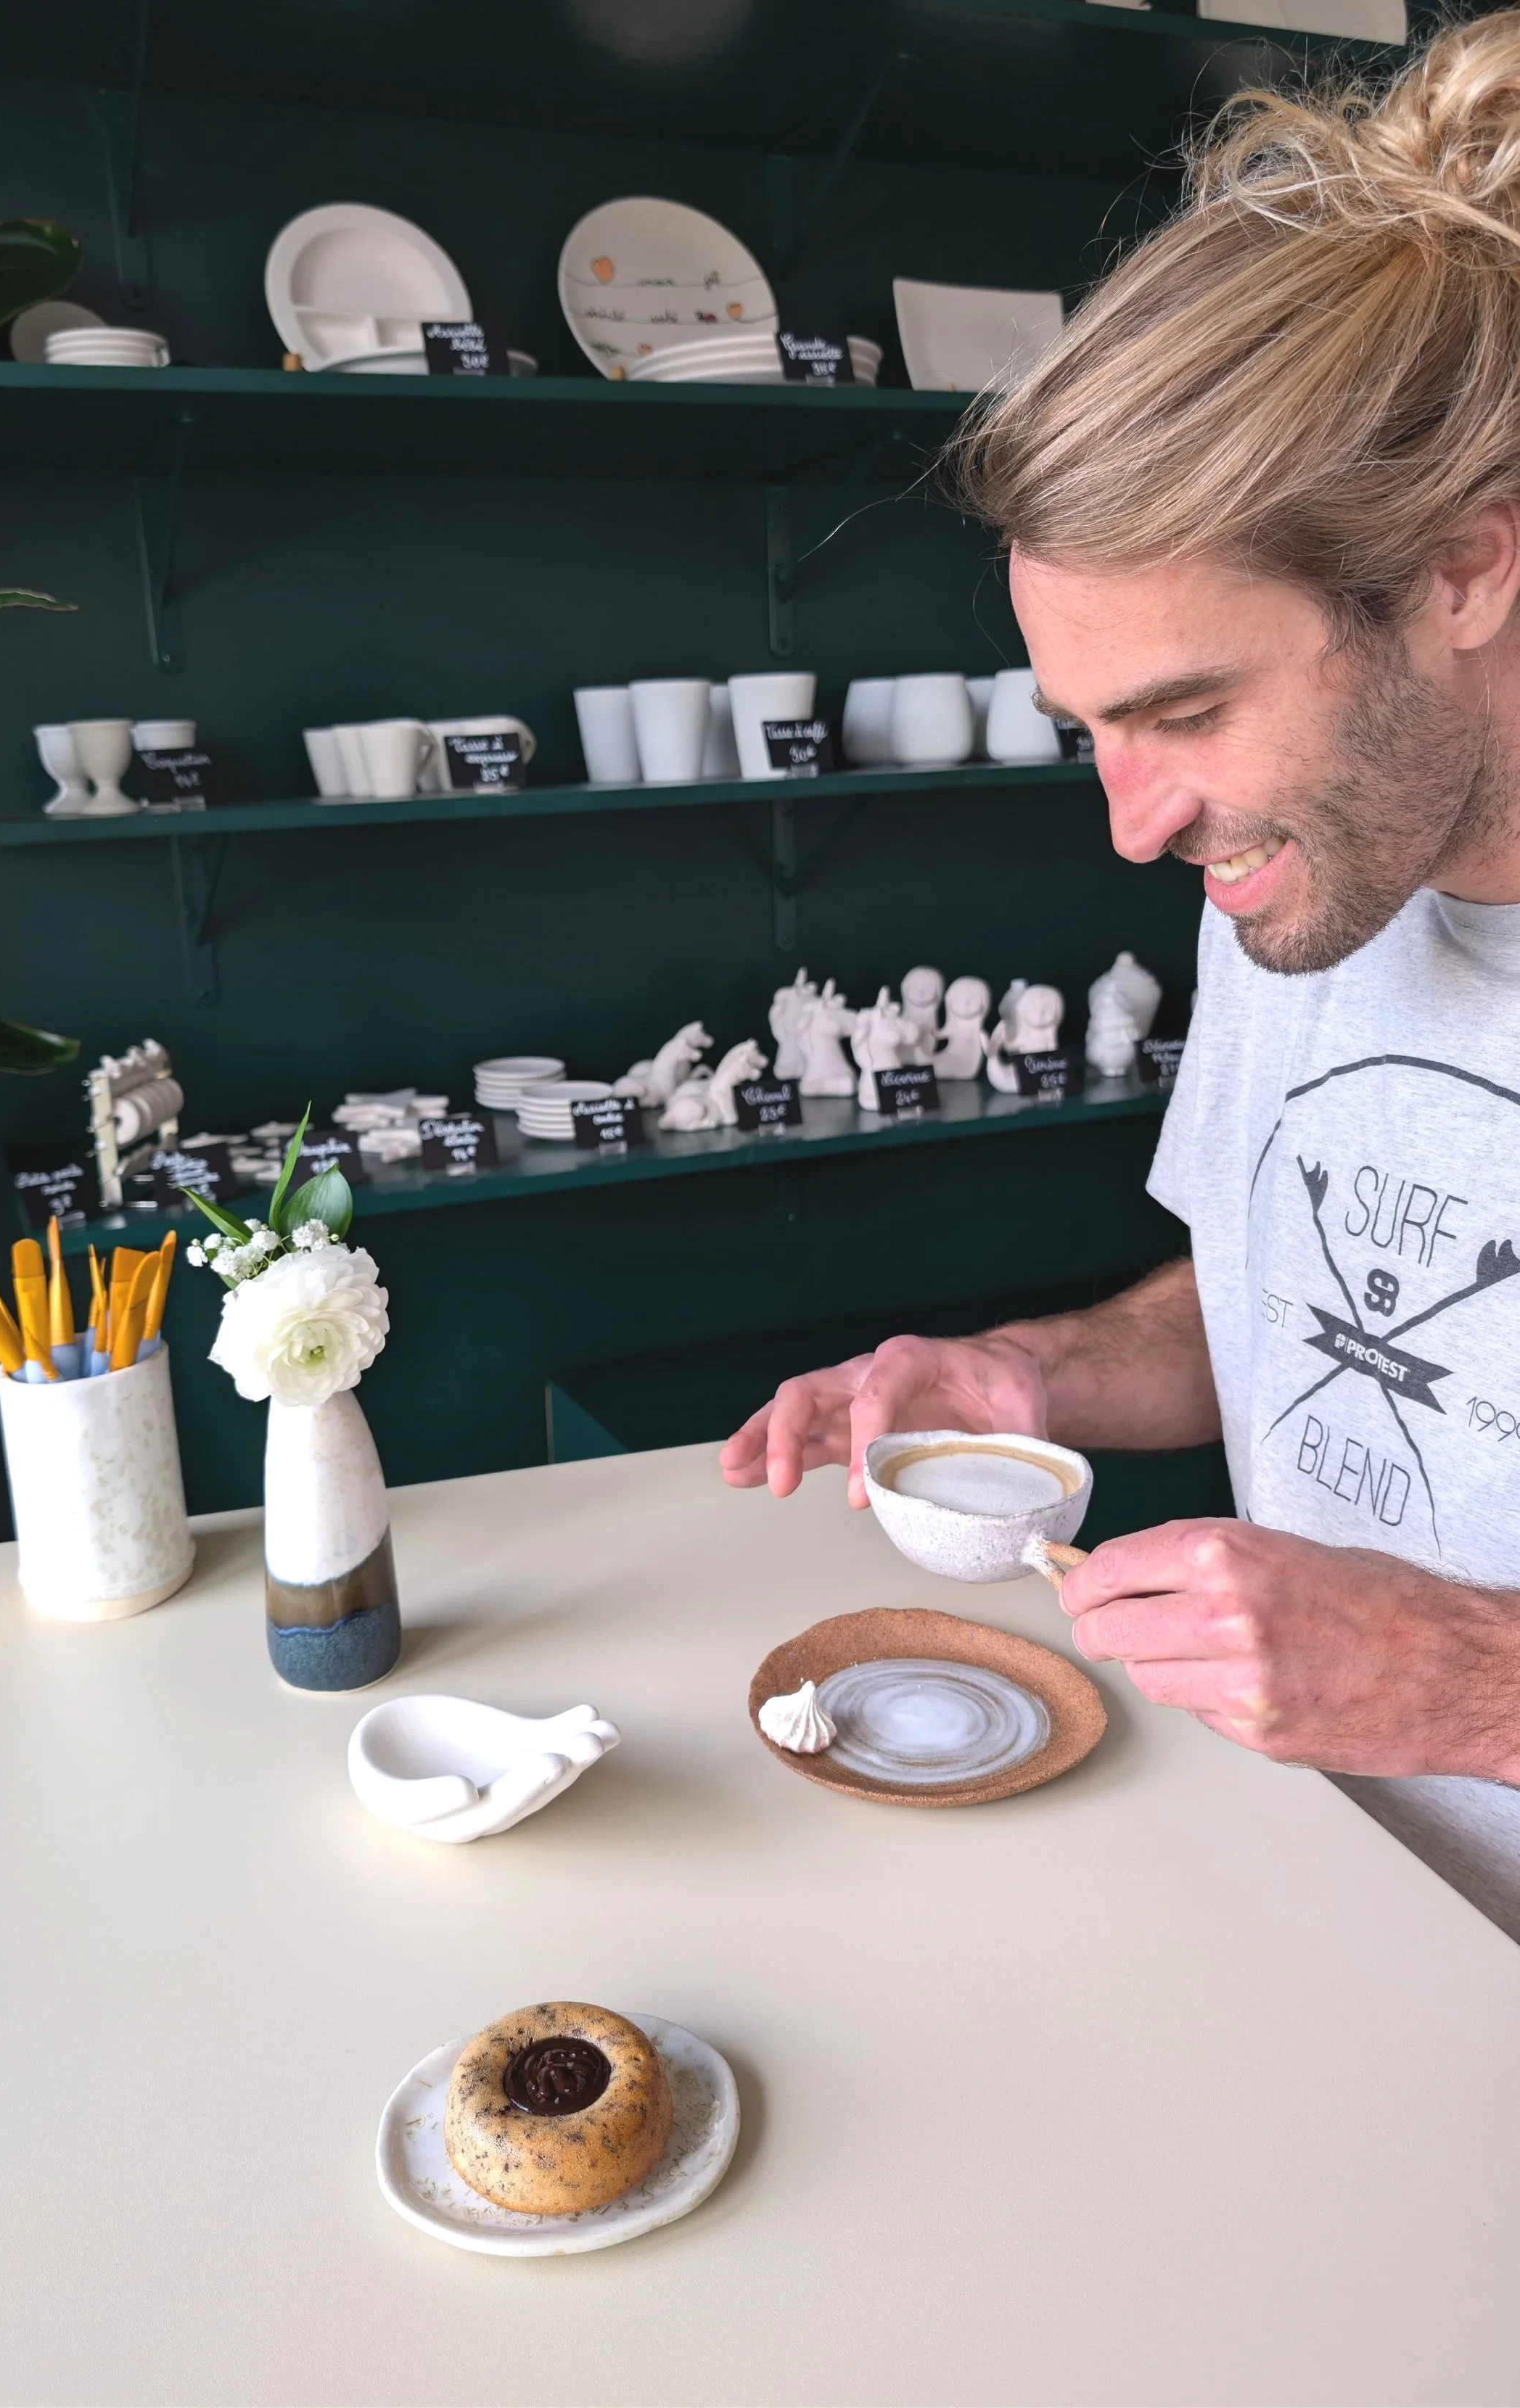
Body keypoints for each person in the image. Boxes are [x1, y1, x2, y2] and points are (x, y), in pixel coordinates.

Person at [720, 10, 1520, 1936]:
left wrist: (1466, 1683)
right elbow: (1282, 1287)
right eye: (1089, 725)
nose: (1132, 824)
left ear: (1459, 572)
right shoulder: (1303, 869)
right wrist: (1034, 1376)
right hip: (1316, 1896)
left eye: (1181, 710)